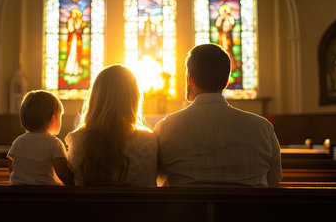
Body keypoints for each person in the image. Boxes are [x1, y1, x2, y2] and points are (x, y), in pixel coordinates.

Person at [154, 44, 282, 187]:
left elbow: (156, 181)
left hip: (189, 210)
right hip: (248, 210)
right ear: (227, 81)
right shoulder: (262, 128)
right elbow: (273, 184)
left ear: (190, 79)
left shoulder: (166, 128)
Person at [65, 65, 157, 186]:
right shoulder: (148, 141)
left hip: (90, 205)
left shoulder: (78, 139)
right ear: (134, 98)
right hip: (139, 205)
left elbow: (75, 183)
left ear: (95, 99)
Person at [7, 90, 74, 185]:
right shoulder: (54, 144)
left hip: (19, 194)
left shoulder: (18, 141)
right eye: (60, 117)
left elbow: (11, 163)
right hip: (45, 194)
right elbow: (62, 172)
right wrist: (73, 184)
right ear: (53, 119)